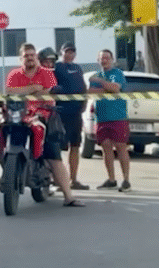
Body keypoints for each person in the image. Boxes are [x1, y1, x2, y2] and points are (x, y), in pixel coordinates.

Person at [0, 42, 84, 207]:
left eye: (32, 55)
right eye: (26, 56)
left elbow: (49, 91)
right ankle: (7, 173)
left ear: (36, 57)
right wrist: (34, 88)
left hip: (44, 116)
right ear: (20, 58)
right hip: (19, 116)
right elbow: (9, 91)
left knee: (53, 154)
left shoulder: (46, 73)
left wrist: (25, 90)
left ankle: (68, 196)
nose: (29, 58)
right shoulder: (14, 74)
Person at [88, 49, 131, 192]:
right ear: (98, 60)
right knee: (106, 147)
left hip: (118, 116)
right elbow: (91, 92)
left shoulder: (117, 73)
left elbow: (116, 88)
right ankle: (111, 180)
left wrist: (100, 83)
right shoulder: (96, 74)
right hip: (102, 117)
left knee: (121, 147)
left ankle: (126, 180)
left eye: (107, 57)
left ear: (112, 59)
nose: (104, 60)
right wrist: (106, 89)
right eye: (101, 58)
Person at [53, 42, 89, 190]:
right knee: (58, 147)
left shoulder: (77, 68)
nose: (69, 54)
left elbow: (83, 87)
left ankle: (73, 180)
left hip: (76, 113)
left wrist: (85, 102)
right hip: (60, 112)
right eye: (67, 51)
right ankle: (58, 180)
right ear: (61, 52)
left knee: (75, 145)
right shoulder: (56, 67)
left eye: (72, 52)